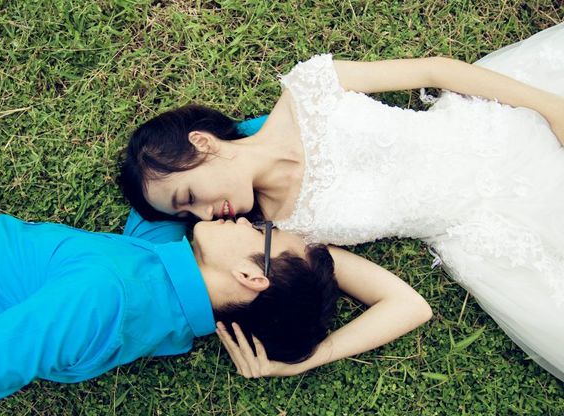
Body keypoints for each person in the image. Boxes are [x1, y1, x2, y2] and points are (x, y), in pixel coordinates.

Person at [119, 23, 564, 380]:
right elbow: (407, 304)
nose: (203, 216)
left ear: (201, 143)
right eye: (186, 214)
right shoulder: (284, 231)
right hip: (507, 216)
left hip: (506, 124)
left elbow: (434, 70)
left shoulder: (307, 90)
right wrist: (308, 359)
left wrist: (551, 108)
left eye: (189, 197)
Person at [0, 136, 431, 410]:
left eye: (263, 232)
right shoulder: (169, 293)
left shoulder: (108, 297)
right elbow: (410, 304)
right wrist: (250, 149)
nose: (249, 218)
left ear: (251, 277)